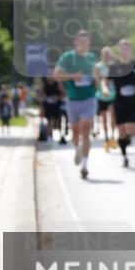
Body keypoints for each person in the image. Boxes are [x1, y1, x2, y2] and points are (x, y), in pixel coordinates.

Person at [52, 30, 99, 178]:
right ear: (75, 42)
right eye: (81, 41)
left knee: (86, 128)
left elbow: (97, 77)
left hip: (89, 98)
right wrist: (73, 76)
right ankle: (77, 148)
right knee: (76, 131)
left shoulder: (92, 58)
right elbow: (56, 75)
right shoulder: (68, 57)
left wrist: (96, 80)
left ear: (89, 42)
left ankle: (84, 165)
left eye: (86, 41)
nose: (84, 44)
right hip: (73, 99)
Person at [109, 40, 135, 169]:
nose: (125, 51)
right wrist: (105, 89)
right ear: (119, 51)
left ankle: (126, 140)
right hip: (120, 102)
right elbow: (105, 82)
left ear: (130, 50)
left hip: (134, 101)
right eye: (123, 49)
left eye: (127, 49)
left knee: (133, 130)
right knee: (121, 130)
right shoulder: (114, 66)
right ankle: (124, 156)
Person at [94, 46, 117, 152]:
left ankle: (113, 136)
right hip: (101, 95)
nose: (107, 56)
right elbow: (97, 81)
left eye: (109, 54)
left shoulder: (114, 66)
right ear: (102, 55)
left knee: (112, 116)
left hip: (113, 95)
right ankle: (106, 138)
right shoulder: (98, 66)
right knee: (103, 118)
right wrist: (103, 87)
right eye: (105, 54)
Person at [40, 76, 66, 143]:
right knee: (49, 121)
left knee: (57, 122)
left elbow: (63, 94)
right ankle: (49, 137)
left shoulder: (57, 83)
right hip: (48, 105)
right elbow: (41, 94)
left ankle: (61, 135)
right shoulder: (44, 84)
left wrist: (57, 97)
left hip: (57, 105)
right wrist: (44, 98)